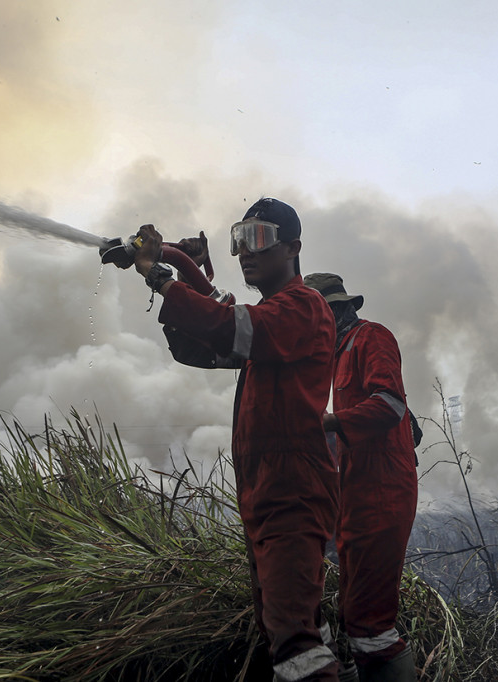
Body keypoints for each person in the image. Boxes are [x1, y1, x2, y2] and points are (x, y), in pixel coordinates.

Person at [131, 198, 341, 681]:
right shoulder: (270, 321)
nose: (246, 252)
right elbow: (200, 340)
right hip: (267, 493)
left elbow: (227, 325)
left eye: (259, 239)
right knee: (289, 632)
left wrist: (160, 276)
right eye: (238, 241)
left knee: (296, 645)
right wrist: (178, 264)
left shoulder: (303, 307)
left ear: (293, 248)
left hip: (291, 493)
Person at [302, 273, 418, 682]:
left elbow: (389, 405)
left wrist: (327, 422)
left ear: (333, 312)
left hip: (383, 493)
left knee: (370, 623)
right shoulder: (333, 357)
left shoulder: (372, 338)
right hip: (353, 497)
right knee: (353, 613)